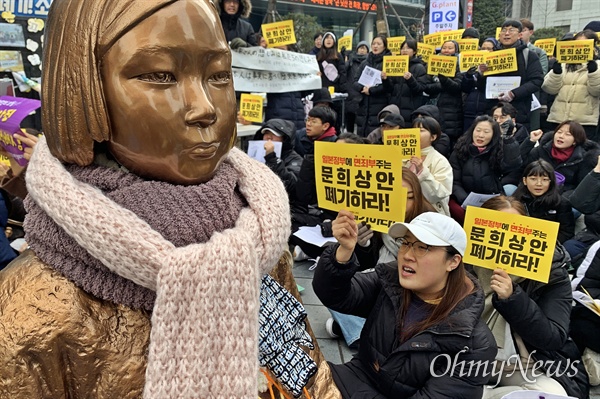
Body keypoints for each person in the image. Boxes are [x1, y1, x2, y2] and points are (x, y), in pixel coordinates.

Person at [0, 1, 298, 397]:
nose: (204, 108)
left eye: (219, 75)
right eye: (160, 75)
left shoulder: (260, 240)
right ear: (81, 88)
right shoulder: (32, 308)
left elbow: (305, 376)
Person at [313, 210, 496, 397]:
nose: (408, 255)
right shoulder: (389, 279)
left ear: (453, 262)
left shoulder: (474, 344)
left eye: (422, 247)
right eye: (406, 243)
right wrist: (343, 251)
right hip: (357, 376)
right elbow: (335, 295)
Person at [474, 196, 587, 399]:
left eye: (514, 229)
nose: (504, 238)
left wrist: (513, 299)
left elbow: (552, 338)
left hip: (522, 366)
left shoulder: (552, 273)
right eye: (497, 229)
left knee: (552, 394)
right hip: (462, 361)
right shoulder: (459, 265)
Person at [449, 116, 522, 223]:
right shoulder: (460, 150)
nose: (481, 135)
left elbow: (512, 164)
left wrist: (508, 139)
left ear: (493, 134)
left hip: (492, 200)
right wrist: (465, 199)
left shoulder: (498, 149)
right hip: (465, 201)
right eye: (478, 130)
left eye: (486, 132)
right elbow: (454, 181)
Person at [479, 20, 544, 131]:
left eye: (511, 30)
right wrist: (481, 74)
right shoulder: (490, 56)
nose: (507, 33)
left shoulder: (528, 55)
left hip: (519, 111)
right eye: (504, 30)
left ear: (519, 35)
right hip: (493, 110)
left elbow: (536, 81)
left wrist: (513, 94)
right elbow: (482, 87)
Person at [542, 29, 600, 142]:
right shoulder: (564, 64)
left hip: (584, 121)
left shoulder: (598, 65)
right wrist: (556, 73)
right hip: (558, 119)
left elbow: (596, 91)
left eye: (585, 44)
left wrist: (593, 73)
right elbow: (549, 88)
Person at [520, 120, 600, 195]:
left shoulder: (583, 158)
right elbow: (521, 163)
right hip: (535, 189)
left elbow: (580, 187)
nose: (561, 136)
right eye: (559, 132)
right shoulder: (542, 149)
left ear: (575, 141)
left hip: (563, 195)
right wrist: (530, 141)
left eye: (567, 134)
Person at [512, 160, 575, 243]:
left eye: (545, 179)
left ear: (551, 182)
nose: (539, 184)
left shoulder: (561, 203)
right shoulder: (515, 200)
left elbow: (566, 233)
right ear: (525, 180)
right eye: (533, 179)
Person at [404, 116, 452, 216]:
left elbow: (442, 193)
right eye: (414, 130)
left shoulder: (440, 161)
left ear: (433, 137)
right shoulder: (402, 157)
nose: (415, 133)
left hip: (429, 213)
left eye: (421, 130)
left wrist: (423, 171)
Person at [353, 35, 394, 137]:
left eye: (379, 44)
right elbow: (355, 81)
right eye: (373, 44)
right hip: (363, 105)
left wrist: (372, 90)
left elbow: (390, 86)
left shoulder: (389, 62)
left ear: (384, 46)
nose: (375, 46)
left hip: (380, 104)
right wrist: (363, 88)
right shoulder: (364, 63)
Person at [253, 119, 302, 201]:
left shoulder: (295, 159)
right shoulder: (255, 153)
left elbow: (292, 185)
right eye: (266, 133)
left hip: (286, 204)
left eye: (274, 134)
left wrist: (272, 158)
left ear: (285, 139)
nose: (269, 137)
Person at [462, 38, 498, 130]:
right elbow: (465, 88)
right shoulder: (473, 66)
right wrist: (468, 76)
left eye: (489, 48)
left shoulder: (498, 68)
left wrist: (482, 75)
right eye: (483, 48)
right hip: (470, 111)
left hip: (487, 109)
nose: (485, 51)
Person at [390, 39, 428, 123]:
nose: (404, 50)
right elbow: (390, 87)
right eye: (402, 48)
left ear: (414, 51)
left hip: (411, 108)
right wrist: (385, 79)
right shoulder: (396, 65)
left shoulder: (419, 67)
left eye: (408, 48)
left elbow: (420, 88)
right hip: (395, 108)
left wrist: (410, 79)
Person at [436, 40, 464, 143]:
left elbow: (457, 87)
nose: (446, 50)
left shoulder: (460, 65)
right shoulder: (433, 63)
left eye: (450, 48)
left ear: (456, 50)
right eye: (444, 47)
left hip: (452, 110)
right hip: (435, 106)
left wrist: (444, 80)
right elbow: (426, 85)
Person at [344, 41, 369, 133]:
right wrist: (347, 61)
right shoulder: (351, 60)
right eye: (360, 48)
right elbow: (343, 71)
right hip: (351, 94)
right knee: (349, 122)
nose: (362, 50)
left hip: (363, 94)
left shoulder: (369, 62)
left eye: (364, 48)